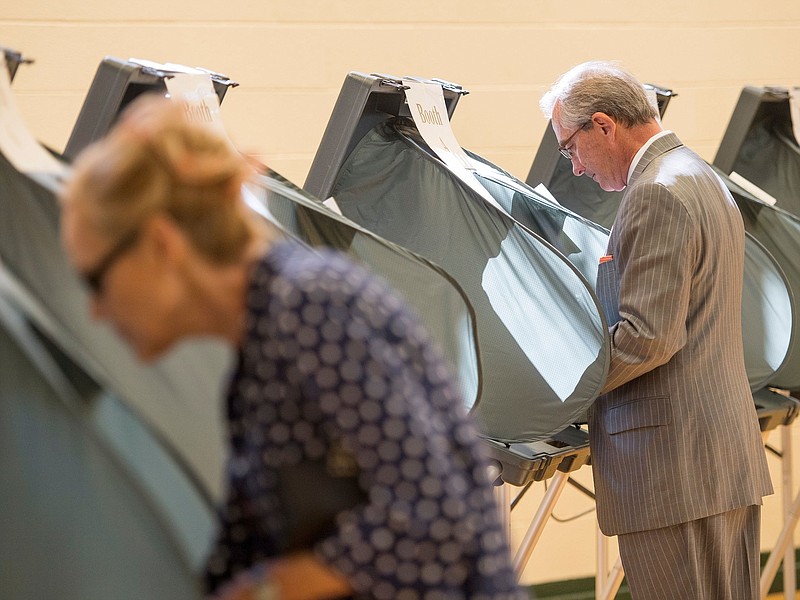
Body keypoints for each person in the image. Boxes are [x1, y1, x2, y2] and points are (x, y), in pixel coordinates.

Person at [59, 93, 528, 600]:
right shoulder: (260, 343)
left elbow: (433, 515)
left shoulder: (312, 306)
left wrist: (270, 590)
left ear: (160, 245)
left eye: (96, 280)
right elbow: (242, 549)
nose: (96, 311)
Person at [539, 61, 773, 599]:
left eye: (569, 147)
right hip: (715, 459)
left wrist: (557, 394)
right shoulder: (699, 175)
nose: (572, 167)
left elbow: (648, 336)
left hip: (672, 471)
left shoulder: (655, 193)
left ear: (603, 125)